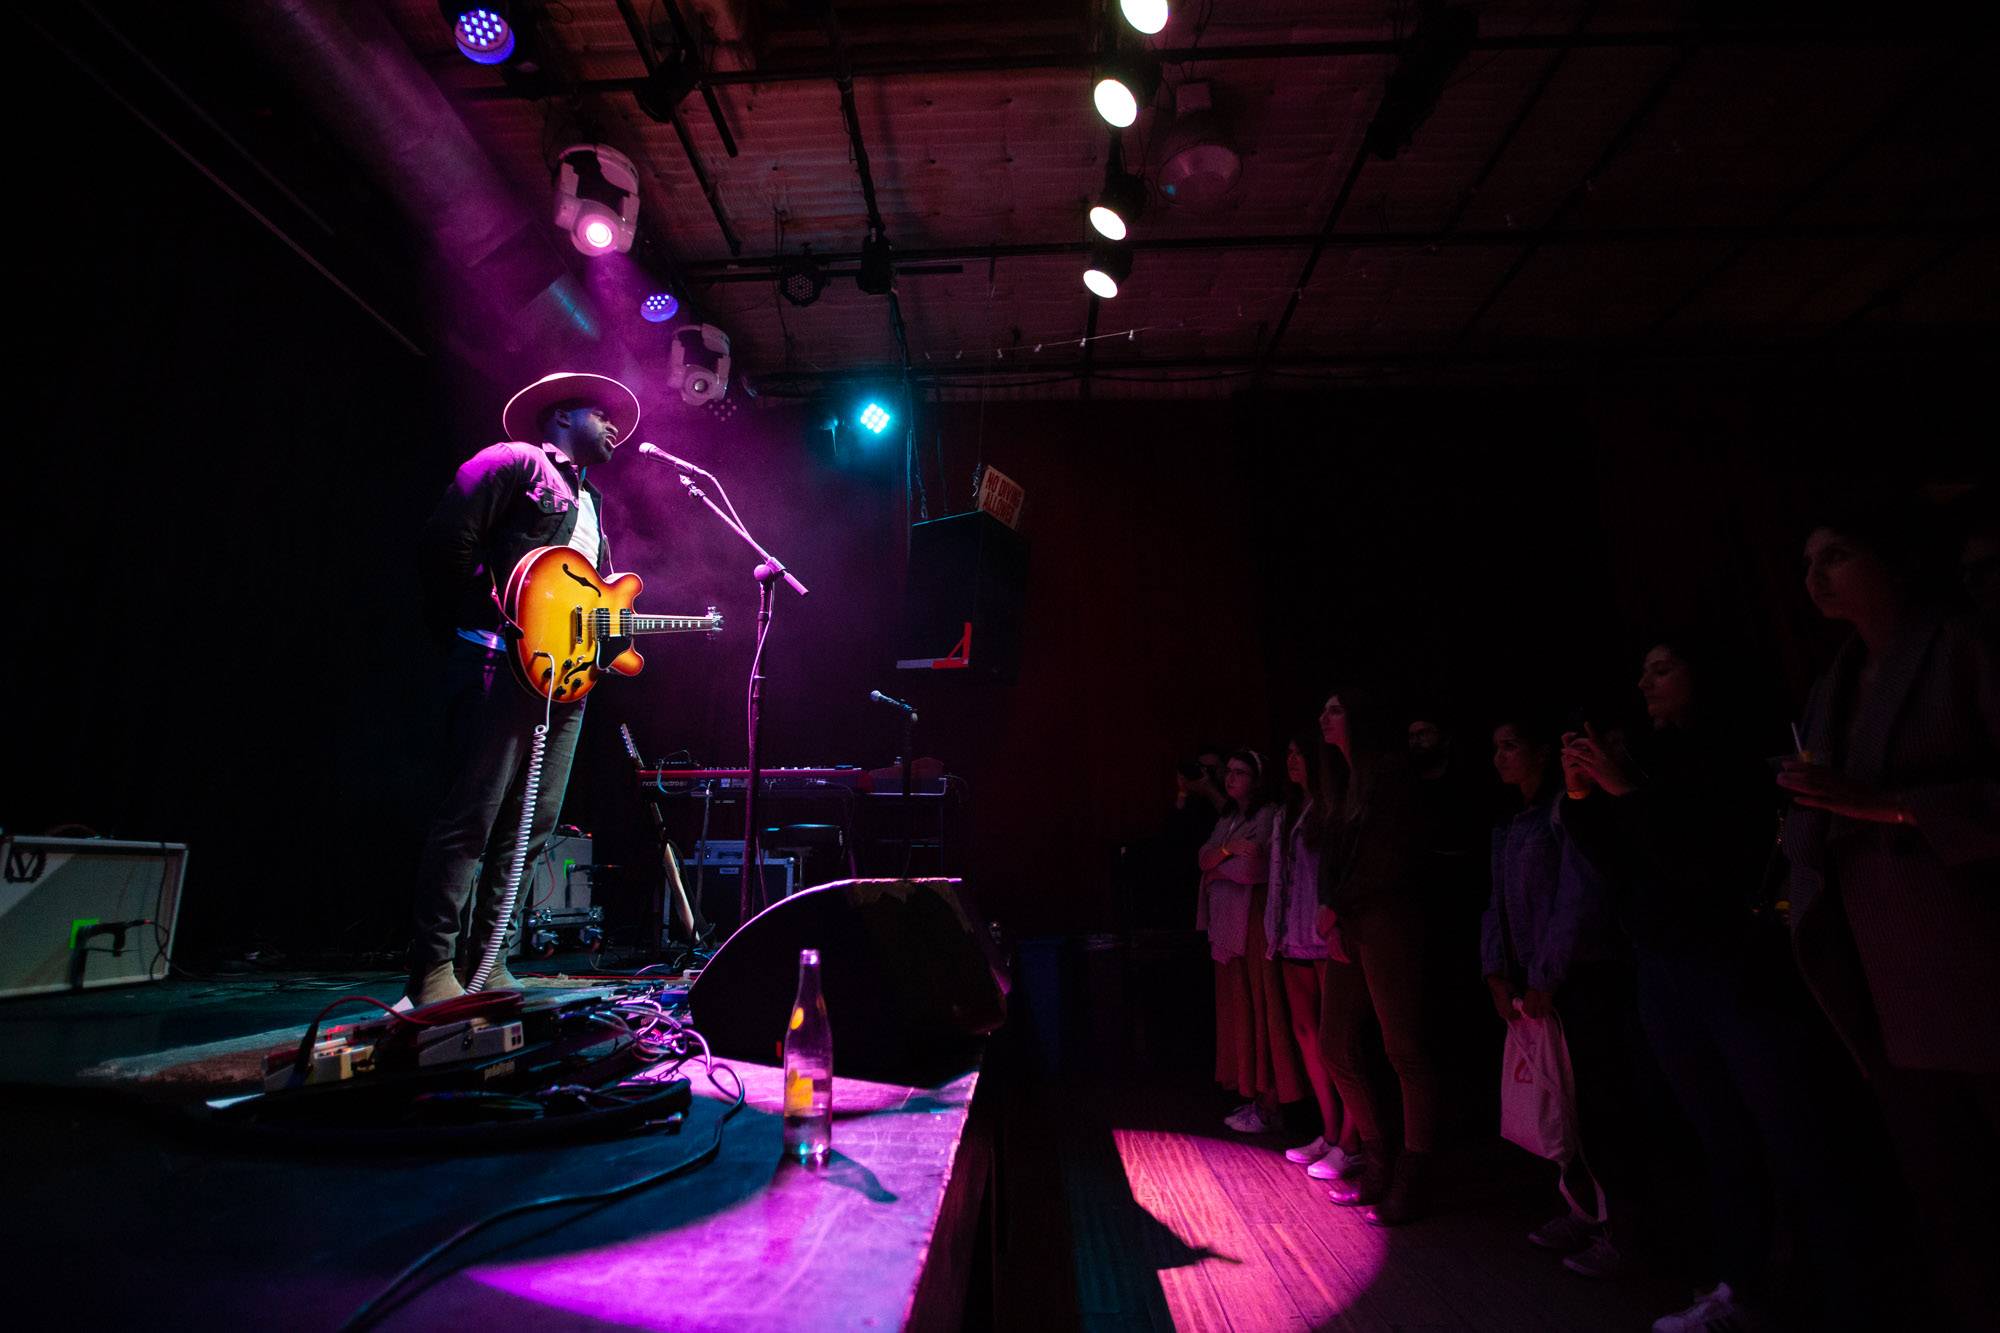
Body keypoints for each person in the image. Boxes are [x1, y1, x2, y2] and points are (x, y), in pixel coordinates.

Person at [1563, 638, 1878, 1333]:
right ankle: (1744, 1286)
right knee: (1719, 1133)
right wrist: (1586, 797)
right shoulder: (1651, 757)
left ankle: (1835, 1296)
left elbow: (1708, 861)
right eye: (1641, 667)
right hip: (1665, 963)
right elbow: (1622, 865)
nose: (1645, 678)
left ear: (1705, 675)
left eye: (1663, 666)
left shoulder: (1732, 755)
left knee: (1791, 1132)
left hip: (1733, 961)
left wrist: (1628, 794)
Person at [1780, 507, 2000, 1330]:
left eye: (1836, 553)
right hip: (1883, 983)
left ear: (1894, 559)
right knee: (1949, 1204)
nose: (1815, 576)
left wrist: (1895, 808)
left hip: (1972, 963)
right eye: (1809, 560)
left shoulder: (1964, 650)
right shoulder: (1834, 681)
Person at [405, 372, 641, 1006]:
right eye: (602, 413)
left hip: (562, 684)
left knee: (532, 826)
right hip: (499, 663)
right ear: (562, 416)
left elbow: (583, 602)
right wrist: (499, 619)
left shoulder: (592, 506)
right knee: (473, 818)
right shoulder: (512, 462)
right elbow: (445, 542)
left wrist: (610, 637)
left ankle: (490, 963)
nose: (616, 426)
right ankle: (432, 970)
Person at [1482, 716, 1630, 1279]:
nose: (1499, 757)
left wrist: (1546, 973)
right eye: (1495, 747)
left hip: (1577, 977)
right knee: (1557, 1102)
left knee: (1596, 1104)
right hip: (1531, 980)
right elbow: (1494, 899)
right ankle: (1583, 1209)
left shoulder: (1561, 813)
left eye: (1511, 745)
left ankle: (1621, 1228)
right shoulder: (1509, 823)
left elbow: (1579, 893)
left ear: (1543, 753)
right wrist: (1495, 969)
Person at [1315, 688, 1445, 1226]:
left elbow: (1387, 858)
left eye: (1336, 709)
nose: (1324, 718)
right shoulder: (1346, 779)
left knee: (1404, 1048)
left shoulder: (1388, 775)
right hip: (1356, 917)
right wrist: (1335, 909)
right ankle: (1377, 1156)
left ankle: (1413, 1173)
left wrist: (1337, 906)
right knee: (1335, 1042)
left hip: (1388, 915)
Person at [1266, 732, 1363, 1180]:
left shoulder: (1331, 809)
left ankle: (1351, 1137)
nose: (1292, 761)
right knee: (1306, 1034)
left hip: (1321, 935)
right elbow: (1276, 878)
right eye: (1287, 753)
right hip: (1291, 934)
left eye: (1298, 753)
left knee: (1336, 1039)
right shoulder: (1287, 813)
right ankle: (1328, 1130)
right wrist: (1273, 933)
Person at [1196, 750, 1297, 1132]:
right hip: (1227, 926)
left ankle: (1270, 1102)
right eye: (1230, 771)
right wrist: (1225, 853)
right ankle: (1255, 1097)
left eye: (1241, 772)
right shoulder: (1229, 819)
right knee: (1240, 1011)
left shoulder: (1268, 816)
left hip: (1252, 924)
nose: (1231, 777)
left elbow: (1255, 868)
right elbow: (1203, 858)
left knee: (1260, 1007)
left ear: (1257, 779)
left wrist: (1220, 870)